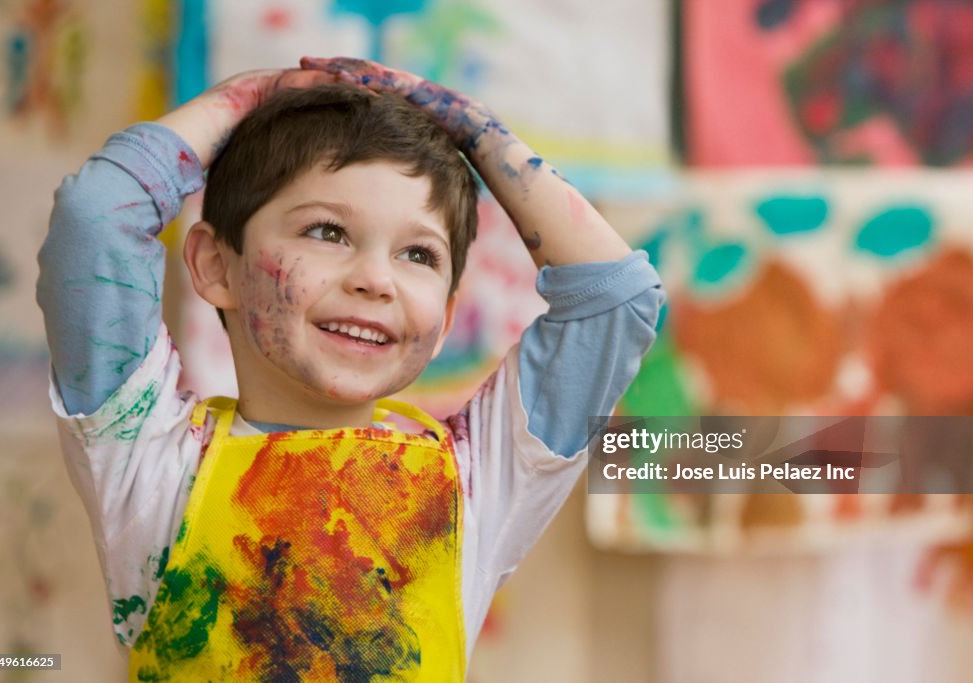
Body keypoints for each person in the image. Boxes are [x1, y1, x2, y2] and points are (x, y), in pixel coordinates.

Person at [37, 57, 663, 681]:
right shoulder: (146, 460)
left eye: (418, 253)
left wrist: (472, 129)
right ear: (214, 265)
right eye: (327, 232)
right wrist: (248, 96)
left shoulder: (480, 483)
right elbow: (96, 217)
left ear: (446, 317)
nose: (374, 280)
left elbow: (615, 299)